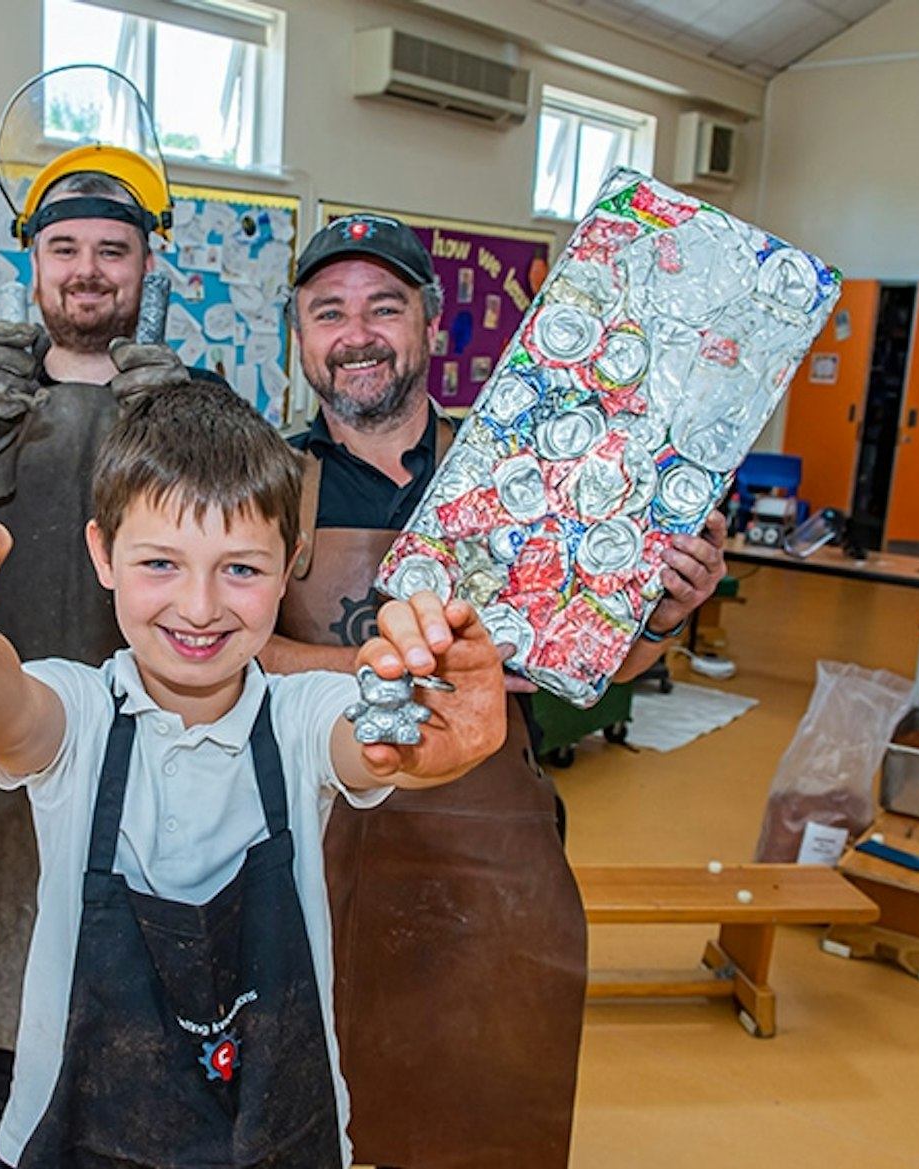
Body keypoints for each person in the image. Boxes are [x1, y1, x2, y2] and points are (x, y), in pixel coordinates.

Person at [0, 380, 515, 1167]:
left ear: (292, 565)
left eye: (241, 567)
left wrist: (437, 739)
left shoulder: (303, 716)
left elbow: (372, 743)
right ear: (103, 553)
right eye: (160, 563)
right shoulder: (77, 715)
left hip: (280, 1132)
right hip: (71, 1135)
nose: (200, 606)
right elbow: (3, 700)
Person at [266, 213, 729, 1169]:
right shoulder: (267, 482)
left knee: (486, 1113)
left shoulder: (524, 469)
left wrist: (661, 616)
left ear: (431, 323)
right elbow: (226, 655)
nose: (356, 333)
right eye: (327, 312)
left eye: (383, 306)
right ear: (301, 337)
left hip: (487, 844)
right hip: (310, 844)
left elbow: (592, 664)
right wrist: (380, 665)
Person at [0, 166, 219, 1162]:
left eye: (111, 251)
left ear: (144, 265)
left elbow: (256, 555)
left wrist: (191, 445)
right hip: (3, 755)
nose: (87, 272)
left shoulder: (193, 391)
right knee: (10, 1027)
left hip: (164, 757)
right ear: (33, 263)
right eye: (65, 249)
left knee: (155, 1029)